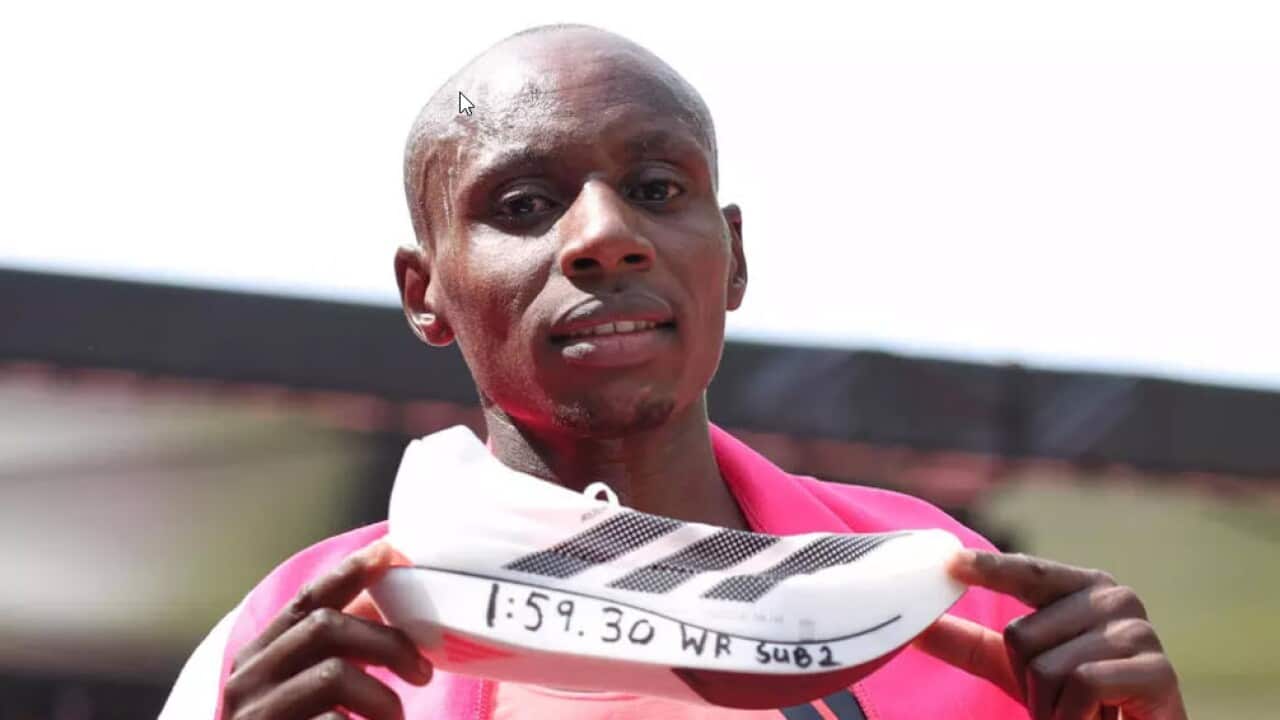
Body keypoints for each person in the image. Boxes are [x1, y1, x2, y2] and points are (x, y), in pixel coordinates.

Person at [161, 24, 1187, 720]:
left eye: (655, 188)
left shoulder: (963, 610)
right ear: (423, 291)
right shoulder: (297, 643)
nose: (605, 237)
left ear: (731, 257)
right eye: (522, 205)